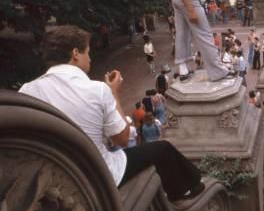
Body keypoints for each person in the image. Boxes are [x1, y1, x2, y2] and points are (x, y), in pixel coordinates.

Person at [19, 25, 205, 201]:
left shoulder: (27, 90)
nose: (90, 58)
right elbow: (122, 139)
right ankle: (189, 188)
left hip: (53, 179)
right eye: (88, 53)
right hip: (98, 174)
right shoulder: (96, 89)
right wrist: (113, 92)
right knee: (163, 148)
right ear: (75, 54)